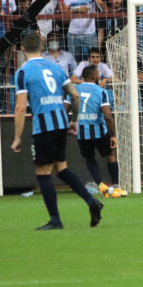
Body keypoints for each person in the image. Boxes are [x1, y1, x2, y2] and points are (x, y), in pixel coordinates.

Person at [11, 33, 104, 230]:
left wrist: (17, 137)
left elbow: (20, 108)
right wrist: (74, 121)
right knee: (61, 169)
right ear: (42, 48)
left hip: (44, 126)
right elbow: (75, 96)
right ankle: (91, 201)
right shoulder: (56, 68)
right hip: (61, 122)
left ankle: (55, 220)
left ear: (22, 49)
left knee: (42, 172)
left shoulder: (23, 72)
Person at [68, 65, 126, 198]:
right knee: (110, 154)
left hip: (81, 133)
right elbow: (107, 116)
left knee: (89, 158)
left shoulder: (73, 90)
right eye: (98, 73)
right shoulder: (100, 91)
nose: (99, 74)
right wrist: (114, 135)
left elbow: (64, 109)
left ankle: (100, 185)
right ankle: (116, 187)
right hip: (99, 132)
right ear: (94, 76)